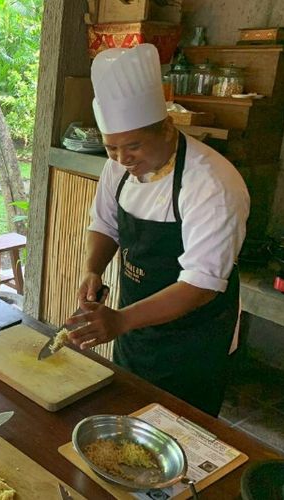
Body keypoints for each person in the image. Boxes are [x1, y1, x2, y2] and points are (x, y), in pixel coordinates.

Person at [66, 44, 250, 417]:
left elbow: (200, 285)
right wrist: (93, 270)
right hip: (134, 331)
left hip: (193, 345)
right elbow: (104, 224)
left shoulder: (212, 184)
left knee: (183, 439)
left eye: (132, 146)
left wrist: (121, 319)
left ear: (167, 128)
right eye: (111, 148)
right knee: (124, 421)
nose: (121, 160)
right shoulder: (117, 166)